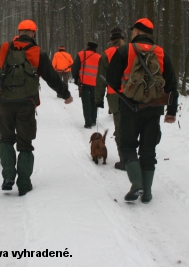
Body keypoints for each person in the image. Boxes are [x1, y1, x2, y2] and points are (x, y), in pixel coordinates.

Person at [0, 20, 73, 196]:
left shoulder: (4, 47)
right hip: (27, 103)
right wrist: (66, 94)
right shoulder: (37, 52)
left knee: (6, 139)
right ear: (33, 34)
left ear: (18, 32)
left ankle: (8, 176)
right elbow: (52, 78)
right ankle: (24, 184)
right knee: (25, 144)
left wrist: (4, 83)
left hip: (4, 103)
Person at [106, 18, 178, 203]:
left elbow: (111, 79)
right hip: (154, 110)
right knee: (148, 150)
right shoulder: (161, 54)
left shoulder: (125, 50)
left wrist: (124, 92)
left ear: (137, 32)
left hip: (130, 108)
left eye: (133, 31)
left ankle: (136, 183)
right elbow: (172, 85)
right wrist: (171, 111)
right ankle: (147, 193)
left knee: (127, 145)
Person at [95, 27, 126, 170]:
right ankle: (135, 157)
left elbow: (101, 79)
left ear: (110, 39)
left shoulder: (107, 54)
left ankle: (125, 160)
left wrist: (98, 98)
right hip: (134, 95)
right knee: (133, 126)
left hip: (115, 96)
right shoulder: (133, 50)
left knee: (120, 128)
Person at [71, 41, 101, 129]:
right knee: (94, 102)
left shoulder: (81, 54)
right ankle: (93, 120)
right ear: (95, 48)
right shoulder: (99, 57)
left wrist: (76, 79)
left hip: (84, 84)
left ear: (87, 46)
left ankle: (88, 122)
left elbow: (75, 68)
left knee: (86, 103)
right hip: (95, 84)